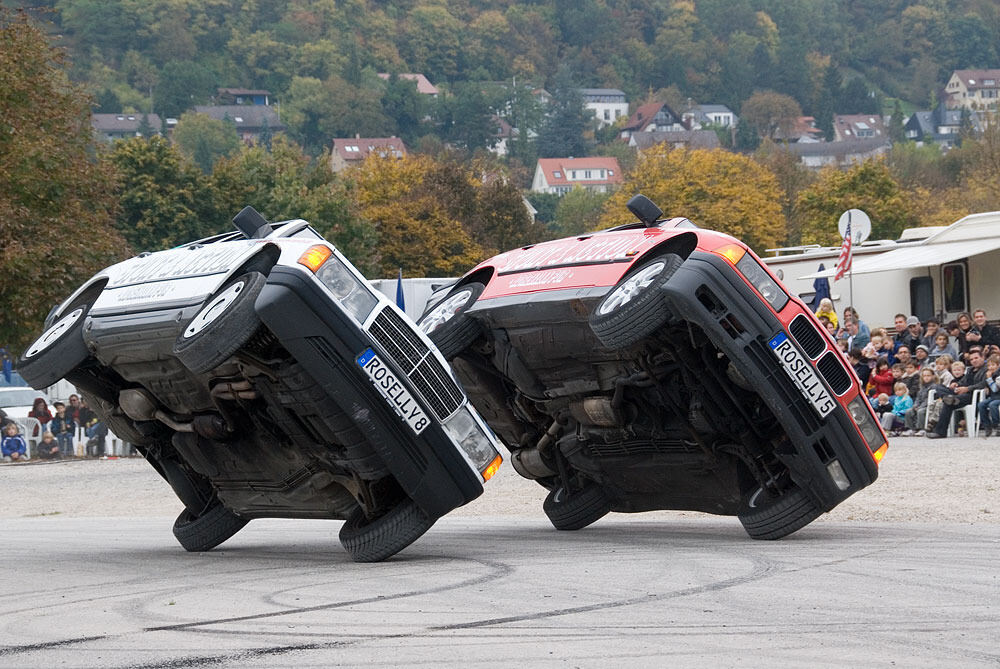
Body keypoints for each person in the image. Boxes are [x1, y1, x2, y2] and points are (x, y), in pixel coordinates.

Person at [928, 348, 989, 439]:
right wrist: (956, 384)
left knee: (948, 403)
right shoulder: (970, 370)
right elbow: (963, 381)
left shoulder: (986, 369)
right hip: (959, 395)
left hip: (972, 396)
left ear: (982, 357)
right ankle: (948, 397)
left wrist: (967, 388)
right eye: (971, 359)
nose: (973, 361)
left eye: (976, 358)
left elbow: (984, 383)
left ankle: (940, 432)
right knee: (938, 387)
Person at [903, 367, 941, 437]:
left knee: (921, 411)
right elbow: (918, 398)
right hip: (920, 406)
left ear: (933, 376)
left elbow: (928, 399)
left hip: (929, 407)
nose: (926, 378)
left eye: (928, 376)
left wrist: (920, 407)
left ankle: (921, 428)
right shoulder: (922, 387)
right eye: (924, 376)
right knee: (908, 411)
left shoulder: (934, 386)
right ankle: (911, 428)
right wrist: (915, 406)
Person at [977, 355, 1000, 437]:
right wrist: (986, 386)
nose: (991, 367)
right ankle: (987, 425)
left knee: (992, 405)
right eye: (989, 365)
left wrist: (989, 379)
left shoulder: (998, 375)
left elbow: (995, 389)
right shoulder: (990, 374)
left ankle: (997, 425)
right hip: (993, 397)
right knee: (981, 404)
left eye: (993, 365)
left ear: (998, 365)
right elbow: (986, 384)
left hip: (998, 397)